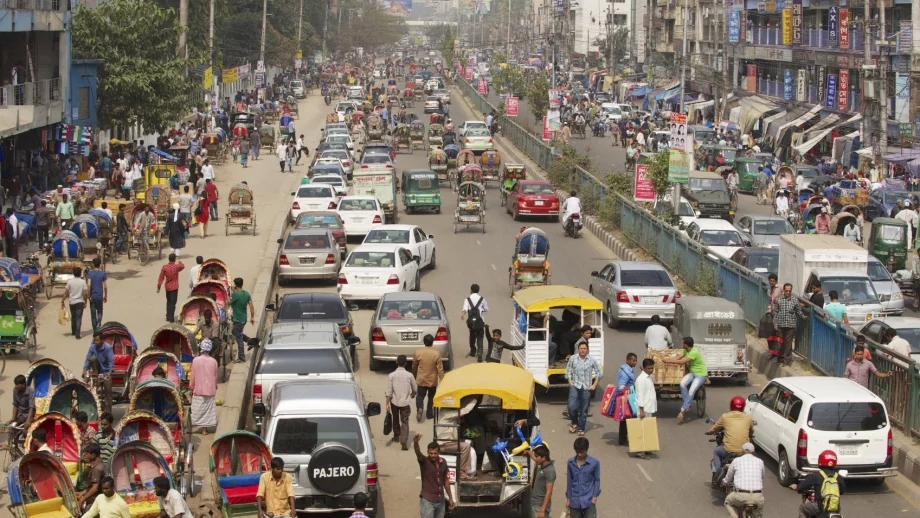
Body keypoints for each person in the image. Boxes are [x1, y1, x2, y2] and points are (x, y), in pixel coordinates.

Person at [706, 396, 753, 483]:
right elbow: (751, 431)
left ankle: (717, 472)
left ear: (731, 405)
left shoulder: (725, 417)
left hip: (728, 450)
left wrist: (709, 432)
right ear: (743, 406)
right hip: (743, 451)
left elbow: (715, 427)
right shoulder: (748, 418)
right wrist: (750, 435)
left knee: (716, 451)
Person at [663, 336, 708, 422]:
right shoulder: (685, 350)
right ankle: (687, 404)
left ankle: (683, 410)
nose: (682, 344)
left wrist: (667, 361)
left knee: (691, 391)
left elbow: (681, 362)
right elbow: (678, 358)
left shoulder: (694, 352)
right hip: (692, 373)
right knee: (682, 384)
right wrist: (667, 360)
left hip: (700, 374)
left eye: (683, 343)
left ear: (686, 345)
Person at [413, 433, 456, 517]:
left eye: (435, 453)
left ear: (438, 452)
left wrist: (450, 498)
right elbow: (418, 453)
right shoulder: (424, 461)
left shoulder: (443, 462)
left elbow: (446, 481)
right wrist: (415, 442)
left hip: (441, 501)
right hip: (427, 502)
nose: (433, 455)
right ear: (427, 452)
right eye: (431, 453)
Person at [565, 341, 602, 436]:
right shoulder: (573, 358)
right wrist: (571, 383)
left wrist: (594, 385)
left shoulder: (592, 360)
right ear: (578, 349)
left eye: (585, 348)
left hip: (586, 388)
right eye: (581, 348)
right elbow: (568, 371)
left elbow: (599, 373)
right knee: (571, 407)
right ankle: (574, 422)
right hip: (575, 386)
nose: (583, 350)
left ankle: (581, 428)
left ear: (587, 350)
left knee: (584, 409)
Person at [794, 450, 846, 518]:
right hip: (836, 509)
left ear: (820, 461)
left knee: (802, 508)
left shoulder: (816, 476)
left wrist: (796, 487)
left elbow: (801, 487)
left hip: (820, 508)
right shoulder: (838, 477)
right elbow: (842, 491)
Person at [721, 443, 765, 518]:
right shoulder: (760, 461)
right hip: (758, 497)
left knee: (728, 502)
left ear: (742, 452)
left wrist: (724, 482)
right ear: (754, 452)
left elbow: (728, 477)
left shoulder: (736, 460)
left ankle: (735, 516)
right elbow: (762, 476)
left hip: (741, 496)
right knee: (758, 514)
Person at [386, 354, 417, 450]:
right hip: (405, 403)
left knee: (395, 419)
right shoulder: (410, 375)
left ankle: (396, 436)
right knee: (404, 421)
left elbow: (389, 392)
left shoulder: (391, 375)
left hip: (394, 402)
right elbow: (415, 389)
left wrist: (387, 404)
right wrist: (413, 394)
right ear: (406, 363)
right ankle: (404, 440)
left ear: (396, 362)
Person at [565, 437, 600, 518]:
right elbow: (569, 481)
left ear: (586, 450)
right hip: (574, 502)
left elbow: (597, 480)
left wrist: (594, 497)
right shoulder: (571, 463)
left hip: (589, 501)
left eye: (581, 452)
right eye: (577, 452)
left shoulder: (594, 463)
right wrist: (568, 499)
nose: (579, 454)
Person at [412, 334, 444, 423]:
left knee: (420, 396)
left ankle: (420, 408)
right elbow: (440, 369)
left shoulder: (418, 352)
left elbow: (414, 366)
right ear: (432, 342)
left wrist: (414, 375)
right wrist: (442, 380)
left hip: (421, 379)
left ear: (424, 342)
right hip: (432, 380)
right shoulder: (436, 353)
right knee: (431, 397)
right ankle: (429, 413)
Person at [771, 283, 804, 365]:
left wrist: (803, 316)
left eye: (789, 291)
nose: (788, 292)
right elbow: (775, 312)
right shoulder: (779, 300)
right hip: (780, 325)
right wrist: (775, 324)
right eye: (786, 291)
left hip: (791, 325)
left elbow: (798, 311)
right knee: (780, 343)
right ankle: (780, 358)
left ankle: (787, 360)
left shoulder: (795, 300)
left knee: (788, 343)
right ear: (784, 290)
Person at [190, 339, 219, 435]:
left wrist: (191, 386)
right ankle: (204, 429)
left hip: (198, 389)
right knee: (207, 411)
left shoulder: (195, 360)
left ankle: (194, 426)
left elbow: (193, 376)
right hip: (210, 390)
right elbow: (215, 376)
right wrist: (215, 386)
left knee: (197, 409)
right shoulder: (214, 361)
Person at [83, 332, 114, 412]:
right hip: (98, 370)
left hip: (106, 371)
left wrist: (110, 372)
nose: (96, 342)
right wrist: (85, 370)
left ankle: (108, 411)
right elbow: (88, 359)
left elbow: (111, 361)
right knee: (92, 358)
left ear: (102, 340)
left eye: (97, 340)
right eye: (95, 340)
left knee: (108, 392)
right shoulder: (92, 347)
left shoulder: (108, 348)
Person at [634, 358, 657, 459]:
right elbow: (640, 396)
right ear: (644, 368)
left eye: (652, 368)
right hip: (644, 409)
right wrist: (641, 410)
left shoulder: (648, 377)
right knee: (641, 430)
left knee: (647, 430)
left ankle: (646, 449)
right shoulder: (641, 379)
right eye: (648, 368)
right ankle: (640, 452)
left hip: (649, 407)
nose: (650, 370)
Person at [230, 277, 256, 362]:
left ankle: (241, 357)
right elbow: (251, 306)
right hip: (244, 319)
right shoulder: (246, 294)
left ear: (235, 285)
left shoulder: (235, 295)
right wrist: (252, 317)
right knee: (235, 332)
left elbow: (228, 303)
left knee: (239, 338)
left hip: (237, 319)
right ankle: (250, 341)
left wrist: (232, 293)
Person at [461, 284, 488, 361]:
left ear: (471, 290)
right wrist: (481, 309)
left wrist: (462, 315)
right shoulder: (482, 299)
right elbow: (486, 309)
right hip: (480, 322)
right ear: (478, 290)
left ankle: (473, 351)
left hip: (471, 323)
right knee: (480, 337)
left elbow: (465, 309)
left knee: (472, 336)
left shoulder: (467, 299)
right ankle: (479, 353)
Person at [615, 353, 638, 447]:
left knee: (626, 418)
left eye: (636, 360)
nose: (635, 362)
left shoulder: (627, 369)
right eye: (633, 360)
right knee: (626, 418)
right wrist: (629, 389)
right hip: (626, 398)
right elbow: (620, 386)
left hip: (628, 396)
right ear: (628, 360)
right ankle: (623, 439)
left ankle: (623, 438)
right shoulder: (625, 372)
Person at [157, 254, 185, 322]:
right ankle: (171, 317)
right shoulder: (176, 266)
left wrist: (159, 286)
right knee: (173, 302)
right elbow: (182, 266)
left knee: (169, 301)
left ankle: (168, 316)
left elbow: (161, 277)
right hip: (174, 287)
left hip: (168, 287)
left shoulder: (165, 267)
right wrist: (180, 262)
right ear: (174, 259)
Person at [62, 266, 88, 339]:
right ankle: (77, 334)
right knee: (78, 318)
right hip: (80, 302)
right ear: (80, 273)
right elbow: (85, 293)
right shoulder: (83, 282)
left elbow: (66, 293)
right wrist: (85, 301)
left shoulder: (70, 282)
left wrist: (62, 300)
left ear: (73, 273)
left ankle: (73, 331)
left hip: (72, 302)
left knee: (73, 317)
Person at [530, 444, 555, 518]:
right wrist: (527, 452)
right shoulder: (542, 464)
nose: (535, 458)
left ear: (543, 457)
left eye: (537, 456)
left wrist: (542, 510)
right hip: (535, 503)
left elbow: (549, 492)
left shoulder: (550, 471)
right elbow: (534, 457)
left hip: (540, 506)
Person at [86, 258, 108, 333]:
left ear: (93, 264)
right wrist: (105, 296)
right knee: (100, 311)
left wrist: (88, 295)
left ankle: (95, 329)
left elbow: (89, 285)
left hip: (92, 296)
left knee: (93, 313)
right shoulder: (102, 274)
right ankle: (99, 323)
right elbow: (105, 286)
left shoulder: (90, 274)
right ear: (100, 264)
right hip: (99, 296)